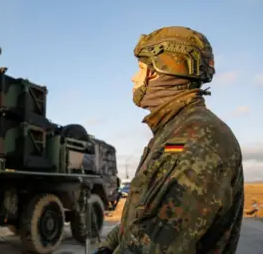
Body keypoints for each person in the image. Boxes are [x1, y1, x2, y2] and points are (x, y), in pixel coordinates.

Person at [94, 26, 244, 254]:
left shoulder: (196, 138)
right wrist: (108, 247)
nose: (134, 78)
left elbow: (156, 245)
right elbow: (138, 219)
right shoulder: (174, 130)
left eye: (141, 68)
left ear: (158, 71)